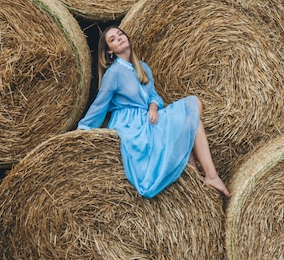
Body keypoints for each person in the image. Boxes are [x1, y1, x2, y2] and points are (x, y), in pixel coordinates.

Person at [77, 26, 231, 199]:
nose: (119, 38)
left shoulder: (142, 67)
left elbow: (154, 96)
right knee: (188, 115)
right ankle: (208, 175)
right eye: (113, 39)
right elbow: (100, 103)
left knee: (190, 112)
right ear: (109, 51)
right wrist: (83, 130)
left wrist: (153, 107)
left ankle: (196, 177)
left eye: (120, 34)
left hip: (148, 117)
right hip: (131, 125)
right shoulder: (113, 73)